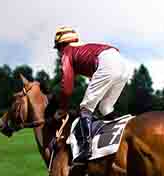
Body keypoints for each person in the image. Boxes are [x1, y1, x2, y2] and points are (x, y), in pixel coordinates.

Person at [54, 26, 130, 162]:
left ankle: (86, 148)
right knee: (105, 108)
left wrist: (63, 108)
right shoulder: (84, 48)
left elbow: (67, 87)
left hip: (107, 64)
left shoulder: (67, 52)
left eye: (58, 49)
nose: (59, 53)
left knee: (85, 107)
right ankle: (117, 137)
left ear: (61, 45)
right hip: (122, 64)